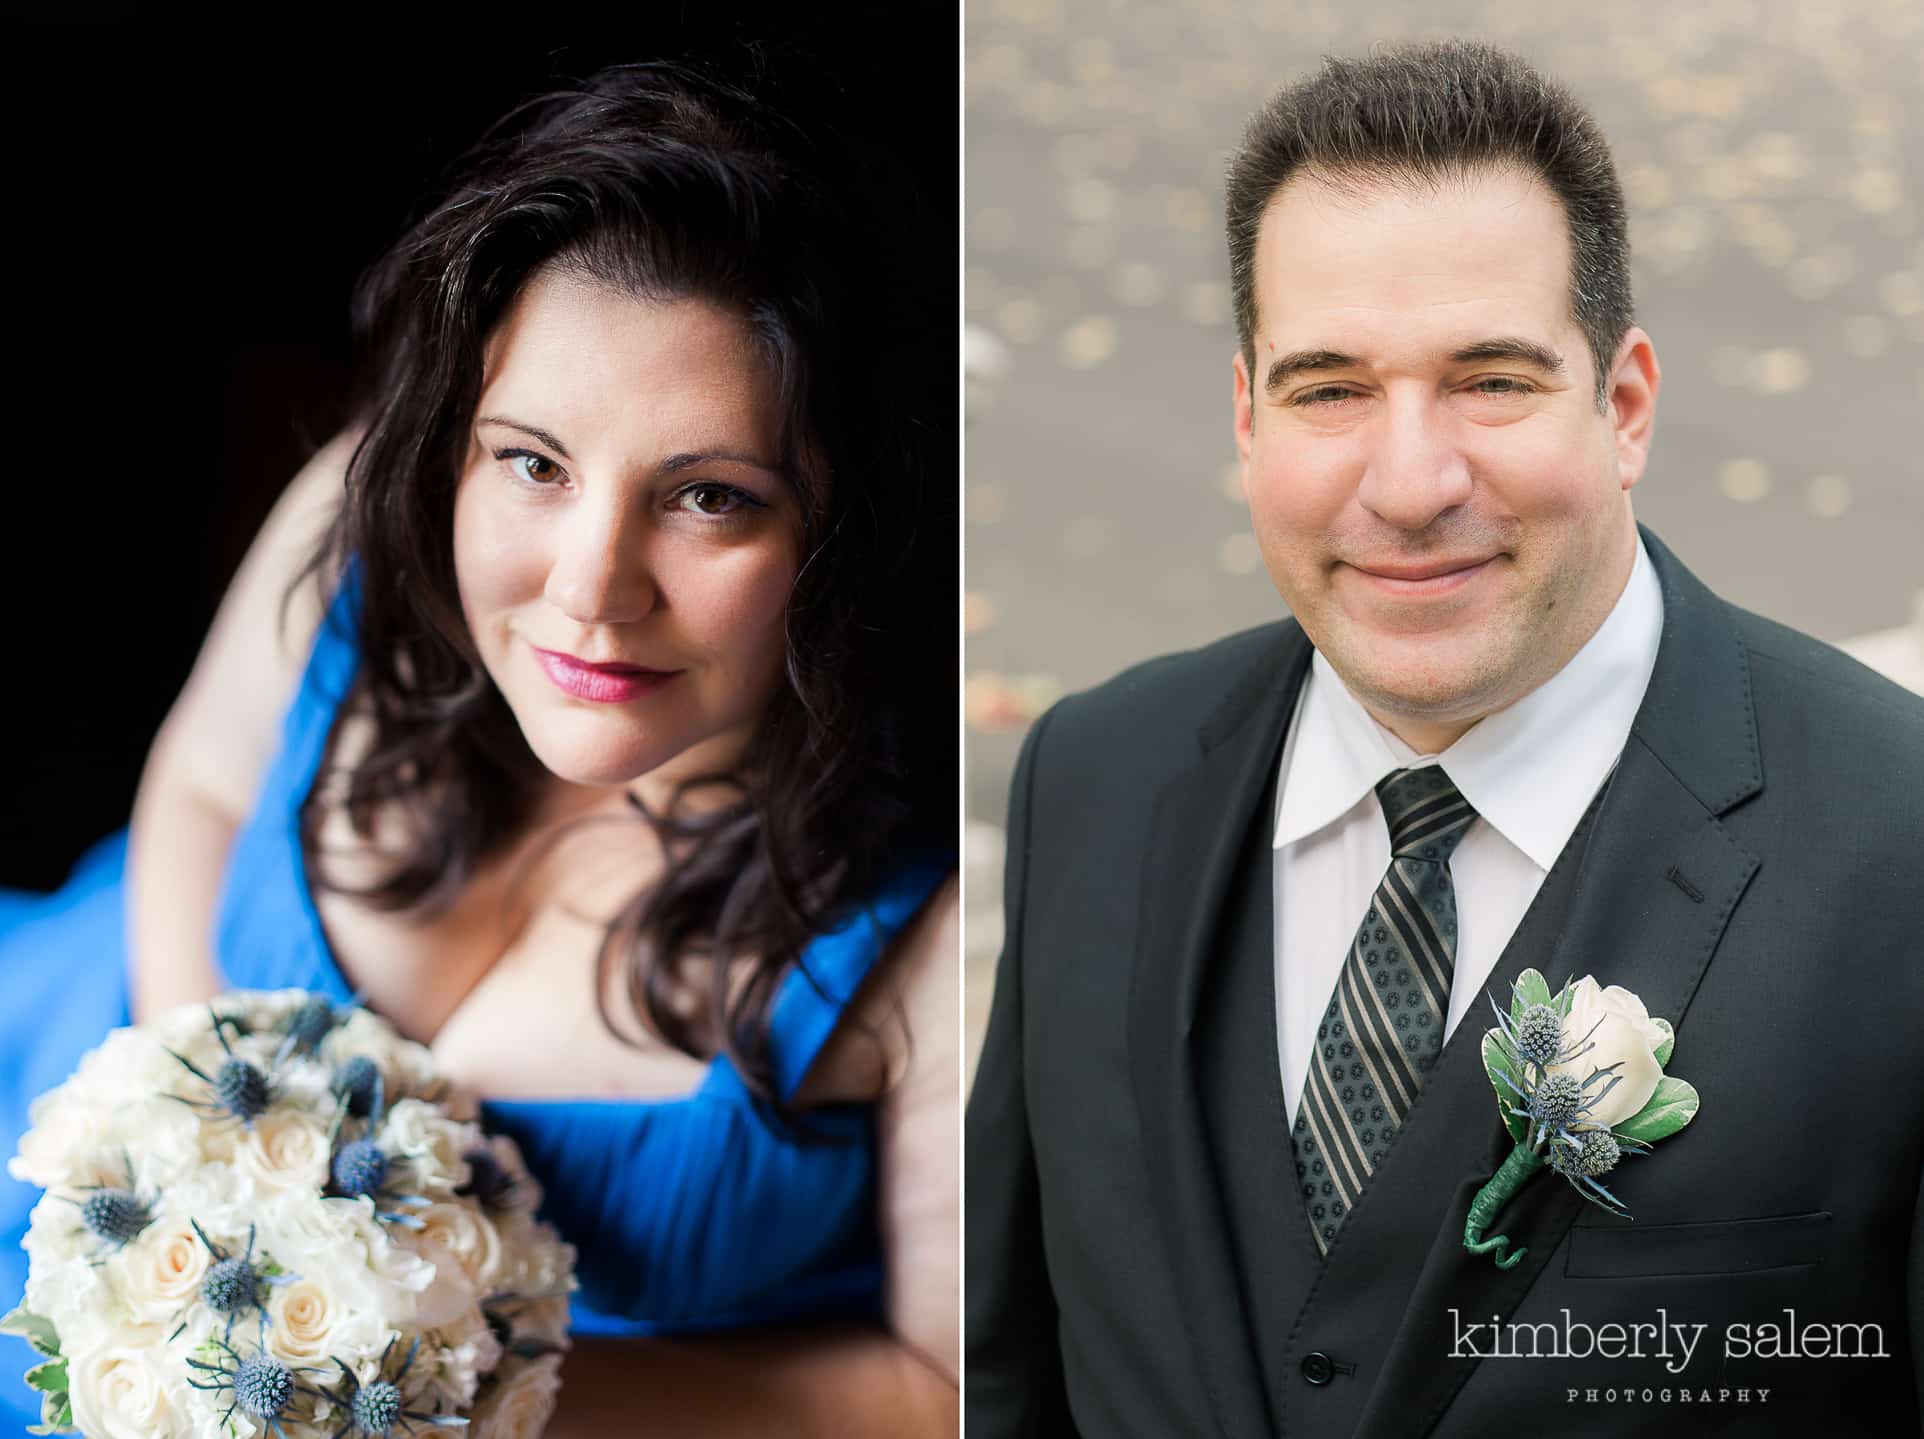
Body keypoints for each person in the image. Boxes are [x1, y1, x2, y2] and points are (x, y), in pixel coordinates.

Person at [966, 39, 1924, 1437]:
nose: (1410, 485)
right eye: (1329, 389)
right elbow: (1007, 1376)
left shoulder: (1897, 842)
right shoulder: (1095, 776)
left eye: (1491, 379)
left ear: (1626, 404)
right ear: (1248, 415)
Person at [0, 61, 959, 1436]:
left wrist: (438, 1389)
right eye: (534, 463)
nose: (589, 587)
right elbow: (207, 785)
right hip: (62, 1153)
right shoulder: (361, 517)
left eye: (708, 496)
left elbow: (937, 1387)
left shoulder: (945, 920)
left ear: (854, 533)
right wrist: (194, 1163)